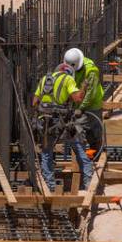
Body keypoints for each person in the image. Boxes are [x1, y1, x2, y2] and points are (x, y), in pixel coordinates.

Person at [31, 63, 93, 191]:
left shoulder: (44, 79)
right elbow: (77, 98)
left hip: (46, 122)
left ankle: (50, 186)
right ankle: (88, 184)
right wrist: (84, 87)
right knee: (79, 148)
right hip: (63, 122)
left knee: (46, 153)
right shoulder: (68, 79)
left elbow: (34, 102)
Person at [64, 47, 104, 154]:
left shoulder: (91, 70)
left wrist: (81, 108)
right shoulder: (70, 65)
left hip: (92, 104)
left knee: (93, 131)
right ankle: (83, 156)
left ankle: (95, 154)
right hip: (79, 103)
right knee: (79, 129)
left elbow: (91, 93)